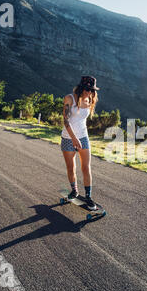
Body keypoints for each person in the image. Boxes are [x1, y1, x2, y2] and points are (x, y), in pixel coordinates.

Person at [61, 76, 99, 210]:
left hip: (83, 136)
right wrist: (73, 139)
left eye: (92, 90)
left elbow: (83, 119)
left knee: (86, 168)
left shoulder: (90, 98)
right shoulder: (69, 98)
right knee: (71, 168)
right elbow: (66, 121)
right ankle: (74, 190)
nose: (89, 93)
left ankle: (88, 197)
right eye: (87, 89)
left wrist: (79, 138)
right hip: (68, 137)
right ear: (82, 87)